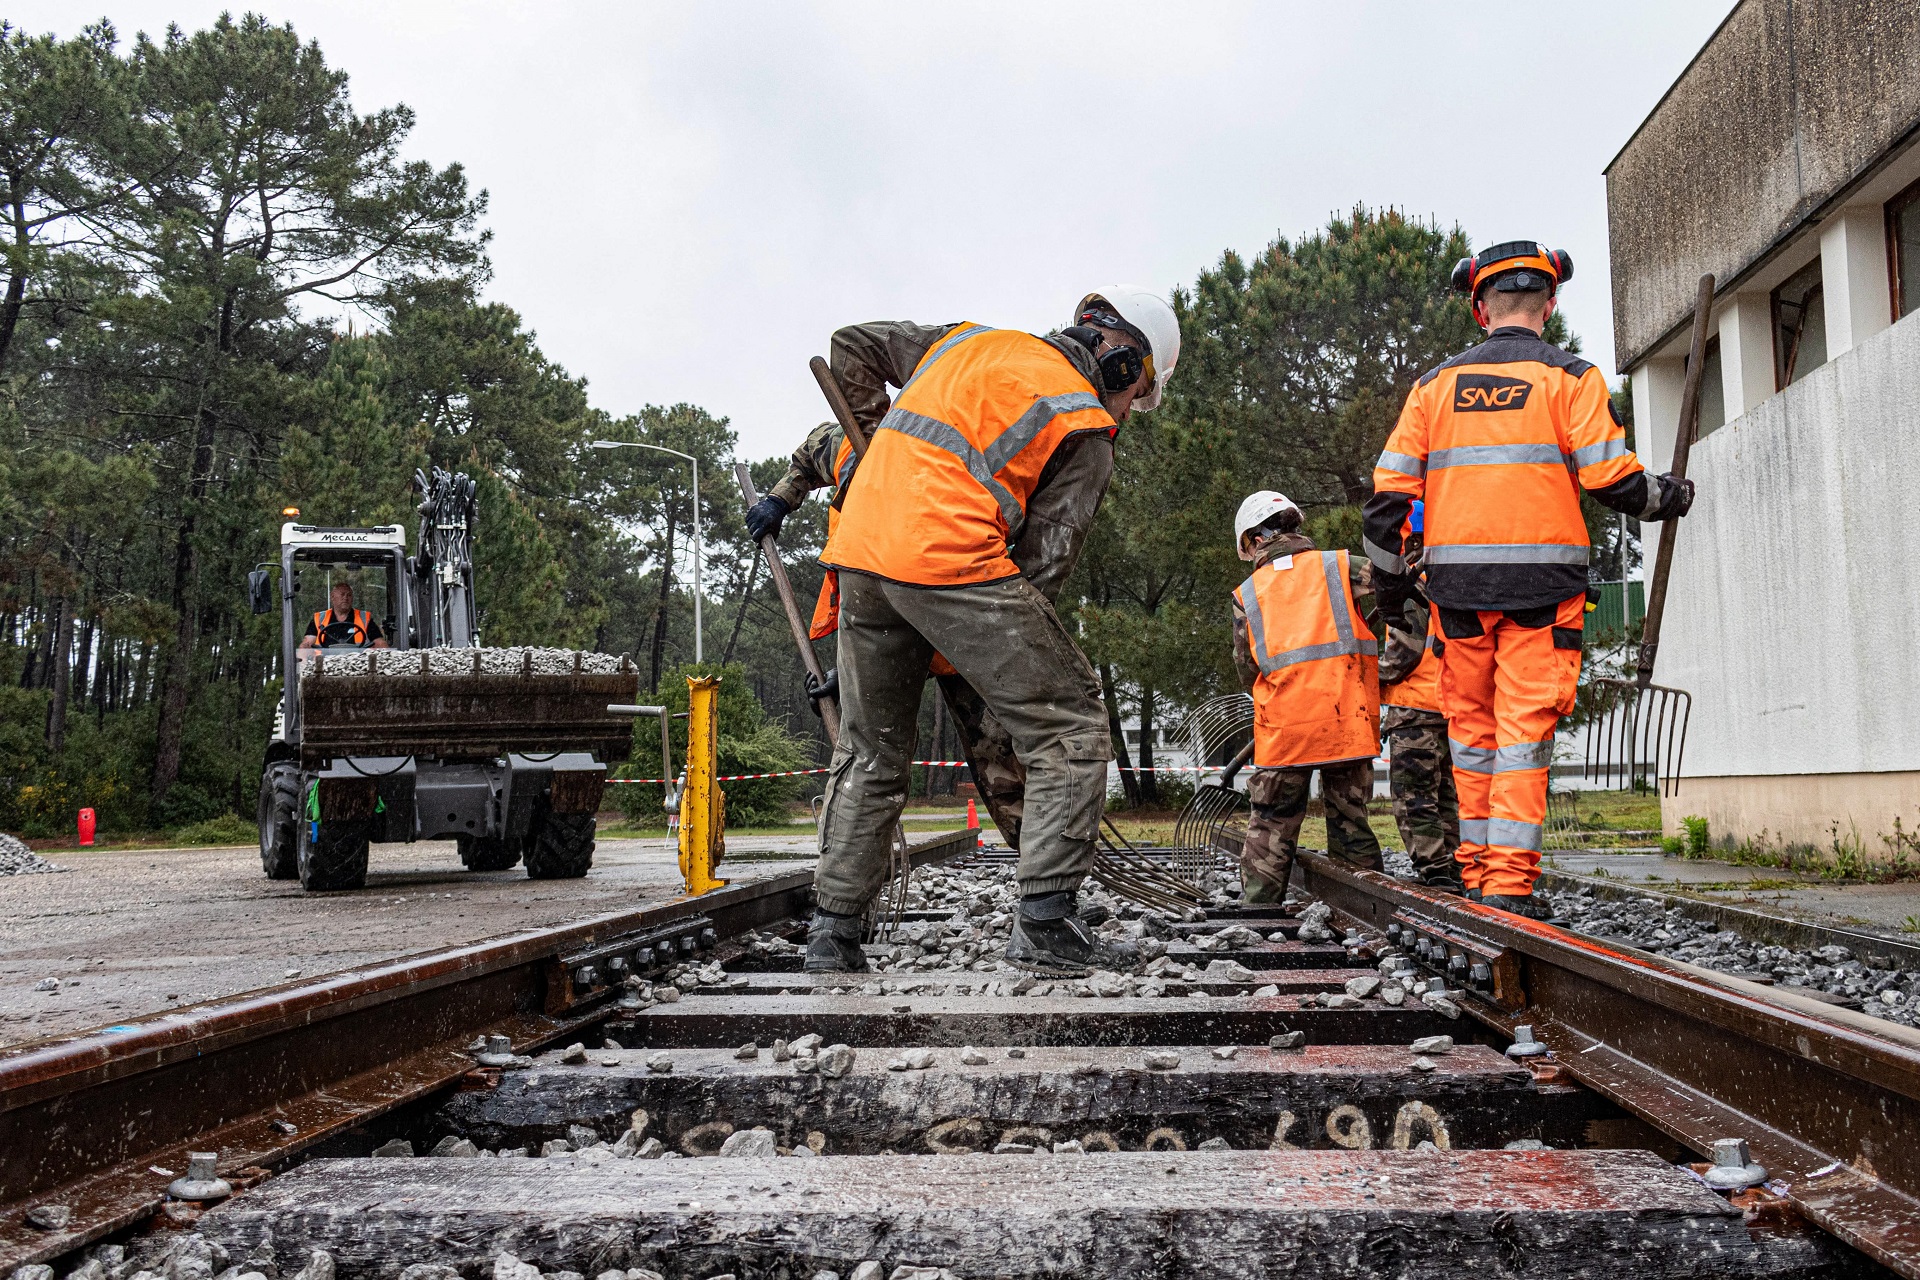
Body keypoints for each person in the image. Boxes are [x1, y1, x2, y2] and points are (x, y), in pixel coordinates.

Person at [802, 286, 1181, 977]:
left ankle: (832, 934)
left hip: (861, 553)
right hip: (950, 557)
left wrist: (872, 456)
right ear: (1126, 364)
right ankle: (1045, 924)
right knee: (1070, 721)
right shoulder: (1086, 423)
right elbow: (1041, 571)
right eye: (1139, 394)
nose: (1130, 410)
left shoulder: (967, 339)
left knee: (871, 751)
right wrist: (982, 660)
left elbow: (851, 345)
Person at [1363, 241, 1694, 919]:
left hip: (1456, 596)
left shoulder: (1433, 388)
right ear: (1550, 302)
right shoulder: (1570, 378)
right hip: (1543, 593)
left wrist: (1395, 593)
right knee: (1521, 739)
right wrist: (1669, 497)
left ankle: (1479, 876)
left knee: (1474, 737)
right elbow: (1614, 480)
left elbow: (1386, 501)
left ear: (1480, 307)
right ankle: (1508, 887)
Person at [1229, 491, 1384, 904]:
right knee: (1351, 821)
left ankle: (1259, 911)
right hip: (1346, 720)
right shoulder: (1340, 565)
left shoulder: (1247, 594)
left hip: (1285, 729)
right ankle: (1366, 907)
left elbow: (1247, 667)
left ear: (1256, 540)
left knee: (1271, 821)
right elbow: (1394, 587)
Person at [1376, 500, 1462, 893]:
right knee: (1447, 794)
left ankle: (1436, 871)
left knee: (1414, 796)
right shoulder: (1452, 578)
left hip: (1415, 709)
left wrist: (1366, 678)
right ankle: (1457, 867)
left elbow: (1404, 651)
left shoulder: (1413, 584)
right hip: (1452, 706)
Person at [299, 580, 388, 650]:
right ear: (332, 597)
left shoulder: (365, 619)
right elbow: (307, 643)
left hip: (358, 665)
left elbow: (380, 643)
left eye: (349, 595)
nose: (345, 598)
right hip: (324, 665)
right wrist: (303, 662)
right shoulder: (319, 619)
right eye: (342, 594)